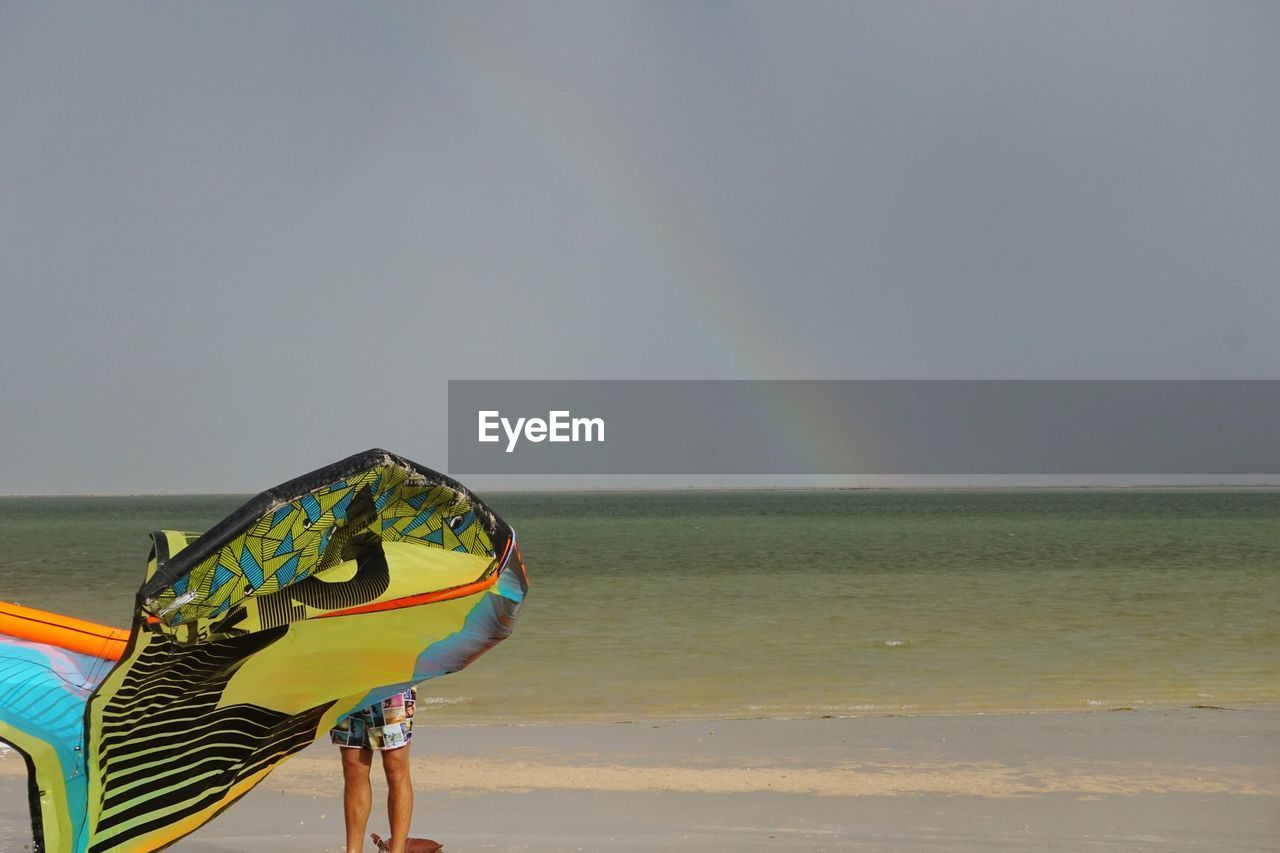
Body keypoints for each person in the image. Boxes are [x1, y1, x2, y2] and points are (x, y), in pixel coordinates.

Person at [331, 687, 440, 853]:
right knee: (353, 767)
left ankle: (396, 850)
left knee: (394, 765)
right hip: (349, 677)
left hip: (391, 679)